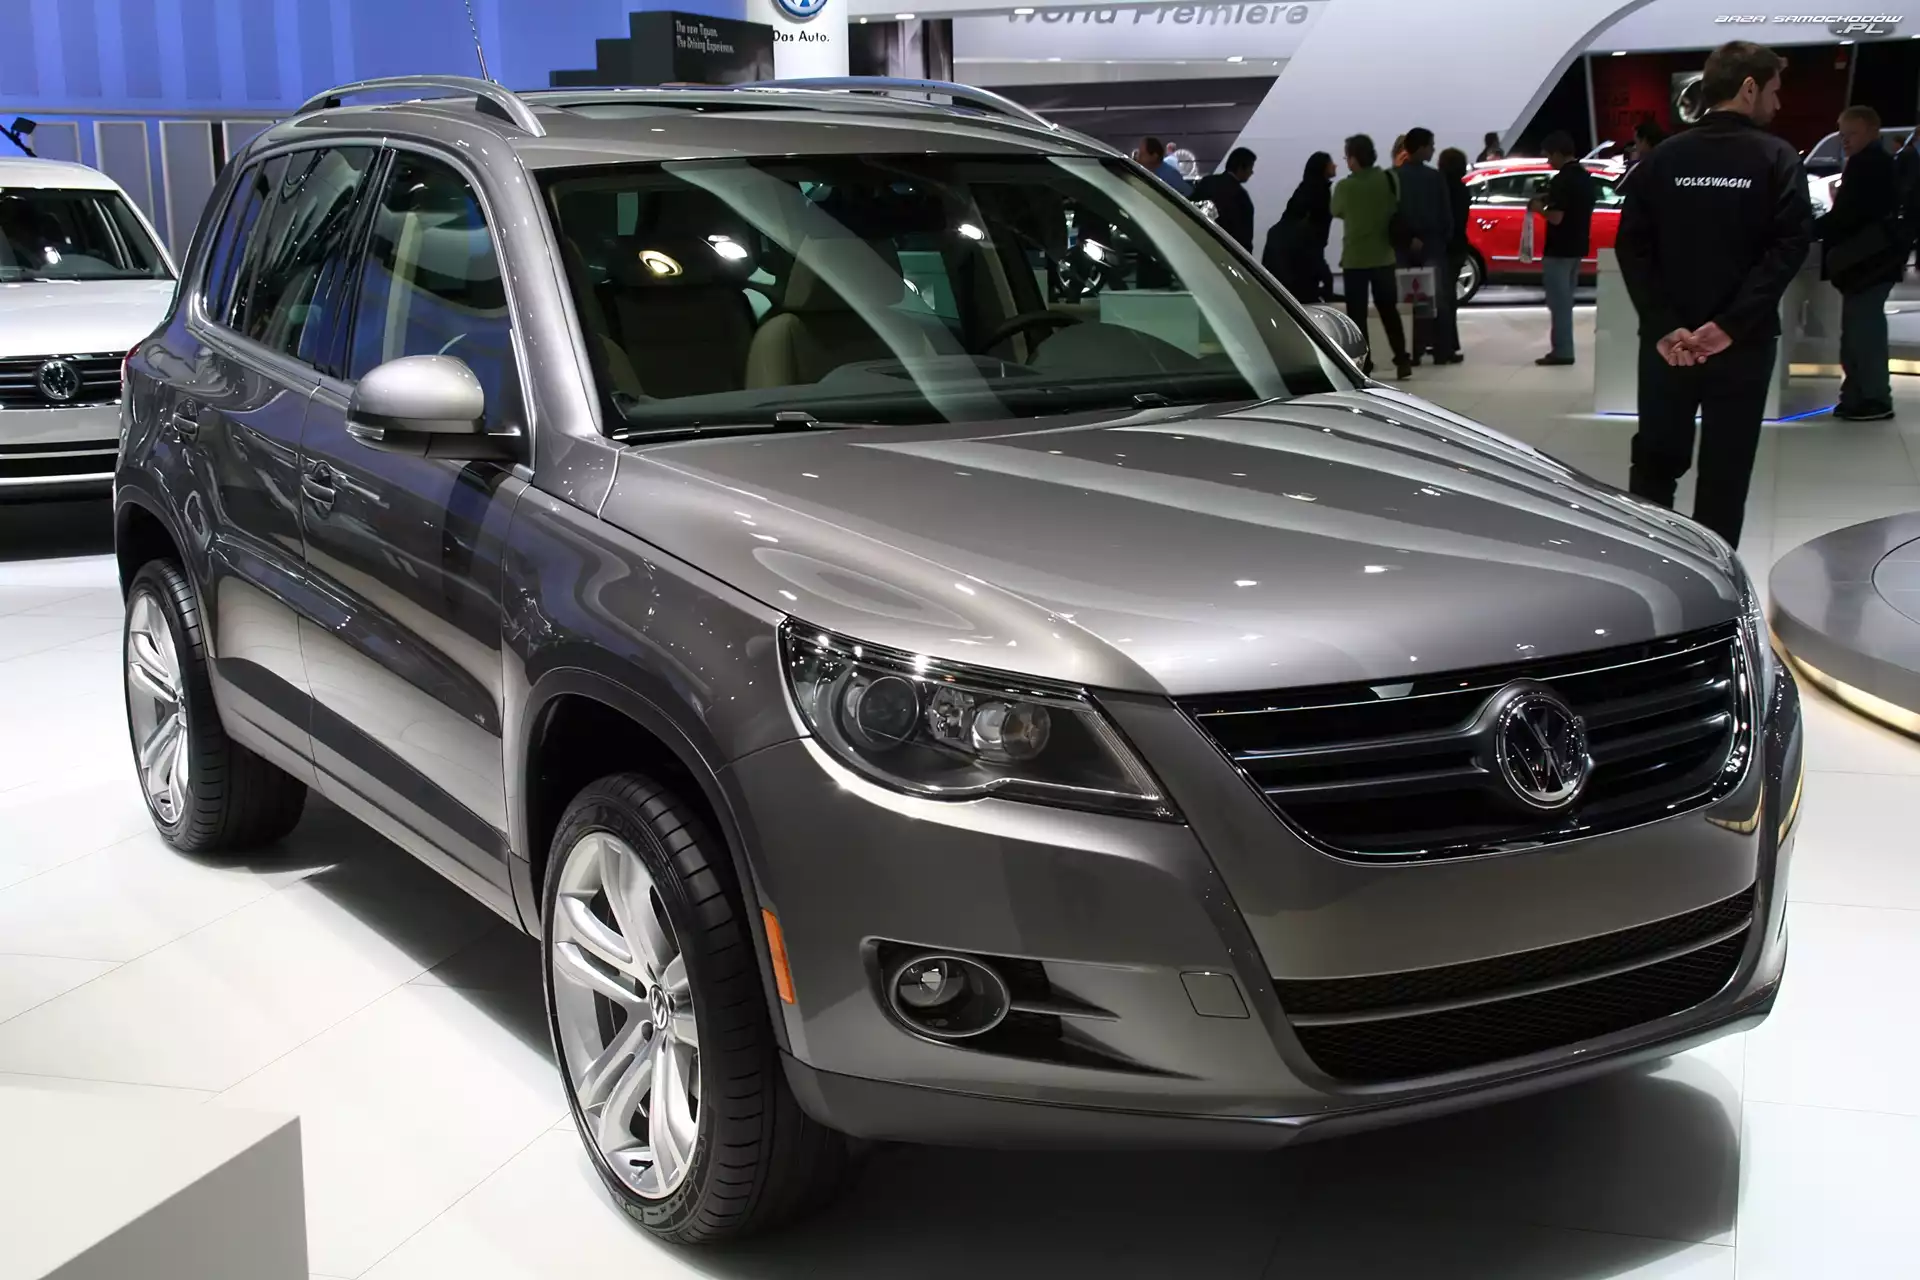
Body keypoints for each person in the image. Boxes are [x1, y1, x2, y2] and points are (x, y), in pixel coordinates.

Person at [1615, 40, 1812, 549]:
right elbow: (1789, 248)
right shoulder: (1777, 157)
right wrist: (1730, 326)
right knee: (1726, 473)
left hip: (1669, 347)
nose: (1777, 103)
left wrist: (1663, 324)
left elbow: (1632, 246)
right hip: (1743, 346)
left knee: (1655, 464)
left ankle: (1650, 568)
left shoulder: (1662, 158)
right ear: (1748, 88)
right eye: (1774, 91)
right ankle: (1716, 582)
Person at [1818, 105, 1904, 421]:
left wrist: (1809, 228)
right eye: (1842, 134)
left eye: (1851, 134)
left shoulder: (1868, 164)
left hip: (1869, 264)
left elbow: (1849, 215)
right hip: (1871, 263)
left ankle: (1874, 398)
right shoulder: (1875, 162)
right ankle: (1858, 395)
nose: (1845, 140)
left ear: (1871, 131)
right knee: (1858, 332)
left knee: (1863, 333)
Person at [1332, 133, 1412, 379]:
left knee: (1357, 315)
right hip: (1384, 256)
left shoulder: (1344, 187)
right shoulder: (1389, 179)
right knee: (1388, 310)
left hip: (1355, 258)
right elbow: (1396, 205)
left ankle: (1364, 363)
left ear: (1354, 159)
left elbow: (1336, 210)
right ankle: (1402, 359)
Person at [1531, 131, 1596, 366]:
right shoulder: (1585, 177)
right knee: (1566, 301)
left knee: (1558, 304)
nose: (1549, 161)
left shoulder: (1561, 180)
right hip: (1578, 245)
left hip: (1558, 248)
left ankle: (1562, 351)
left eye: (1549, 156)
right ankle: (1564, 348)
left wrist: (1539, 209)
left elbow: (1557, 217)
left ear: (1558, 153)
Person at [1394, 126, 1454, 363]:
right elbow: (1445, 214)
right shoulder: (1435, 178)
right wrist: (1438, 239)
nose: (1433, 150)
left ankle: (1411, 349)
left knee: (1405, 299)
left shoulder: (1393, 177)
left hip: (1402, 246)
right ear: (1420, 148)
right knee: (1437, 298)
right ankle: (1441, 349)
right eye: (1431, 145)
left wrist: (1407, 238)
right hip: (1433, 245)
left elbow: (1392, 214)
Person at [1262, 151, 1336, 302]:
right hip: (1303, 259)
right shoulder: (1319, 193)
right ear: (1322, 167)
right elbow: (1314, 235)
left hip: (1293, 261)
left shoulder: (1304, 190)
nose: (1335, 166)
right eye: (1330, 163)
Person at [1434, 146, 1472, 363]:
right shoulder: (1462, 190)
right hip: (1457, 247)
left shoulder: (1438, 189)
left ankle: (1439, 344)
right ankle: (1448, 344)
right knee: (1449, 298)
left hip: (1441, 247)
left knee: (1440, 298)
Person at [1193, 147, 1257, 250]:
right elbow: (1244, 241)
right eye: (1251, 168)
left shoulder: (1207, 182)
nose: (1251, 172)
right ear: (1241, 168)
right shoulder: (1242, 198)